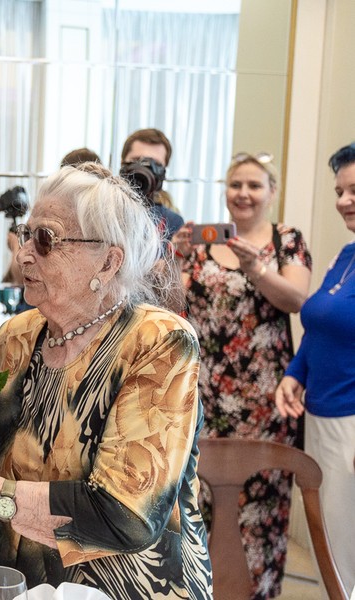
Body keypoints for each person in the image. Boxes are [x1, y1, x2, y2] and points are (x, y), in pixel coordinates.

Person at [0, 163, 212, 598]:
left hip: (127, 586)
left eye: (46, 239)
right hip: (16, 577)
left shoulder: (158, 342)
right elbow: (9, 454)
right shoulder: (17, 336)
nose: (23, 253)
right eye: (25, 233)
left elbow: (128, 516)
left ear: (109, 262)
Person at [172, 152, 312, 599]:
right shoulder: (200, 242)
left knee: (260, 505)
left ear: (272, 192)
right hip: (202, 396)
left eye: (255, 185)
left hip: (267, 401)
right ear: (225, 190)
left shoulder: (285, 239)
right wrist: (173, 256)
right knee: (200, 502)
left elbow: (296, 300)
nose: (244, 194)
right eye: (236, 185)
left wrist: (258, 268)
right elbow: (168, 303)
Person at [275, 141, 355, 593]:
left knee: (348, 556)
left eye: (354, 190)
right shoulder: (346, 255)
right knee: (334, 551)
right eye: (340, 190)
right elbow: (321, 323)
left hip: (352, 423)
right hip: (322, 418)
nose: (343, 201)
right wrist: (296, 372)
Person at [121, 127, 185, 240]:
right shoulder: (100, 210)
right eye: (137, 160)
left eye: (155, 163)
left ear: (163, 173)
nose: (144, 168)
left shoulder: (171, 223)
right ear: (122, 164)